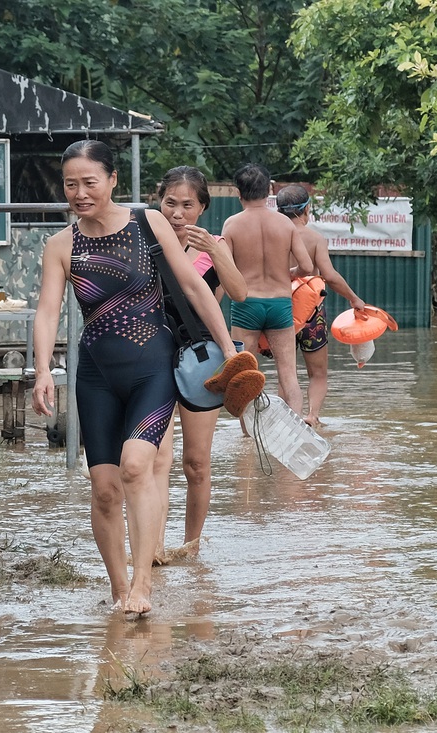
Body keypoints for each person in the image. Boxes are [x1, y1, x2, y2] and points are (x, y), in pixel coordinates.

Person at [31, 141, 239, 617]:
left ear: (112, 181)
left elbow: (191, 285)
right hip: (96, 376)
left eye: (90, 182)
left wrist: (229, 352)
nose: (80, 193)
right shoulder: (61, 246)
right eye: (70, 184)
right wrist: (44, 370)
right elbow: (46, 313)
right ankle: (121, 588)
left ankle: (145, 583)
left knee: (135, 466)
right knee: (103, 489)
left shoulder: (148, 224)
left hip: (153, 367)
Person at [151, 166, 248, 560]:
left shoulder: (215, 246)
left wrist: (213, 250)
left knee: (196, 462)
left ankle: (190, 548)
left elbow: (239, 292)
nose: (177, 213)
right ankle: (152, 546)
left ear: (202, 207)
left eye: (187, 205)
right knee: (156, 458)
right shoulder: (146, 240)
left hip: (199, 359)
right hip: (153, 355)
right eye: (169, 203)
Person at [221, 163, 313, 417]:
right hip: (280, 303)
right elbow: (306, 266)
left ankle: (248, 438)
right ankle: (295, 429)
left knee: (244, 375)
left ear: (238, 193)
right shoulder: (285, 224)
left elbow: (224, 269)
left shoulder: (231, 225)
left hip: (246, 304)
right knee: (288, 373)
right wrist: (289, 274)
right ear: (269, 190)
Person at [276, 185, 366, 427]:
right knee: (318, 373)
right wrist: (354, 298)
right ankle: (312, 416)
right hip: (310, 313)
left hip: (279, 312)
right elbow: (330, 276)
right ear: (307, 209)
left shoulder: (272, 236)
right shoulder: (314, 238)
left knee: (286, 375)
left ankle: (284, 421)